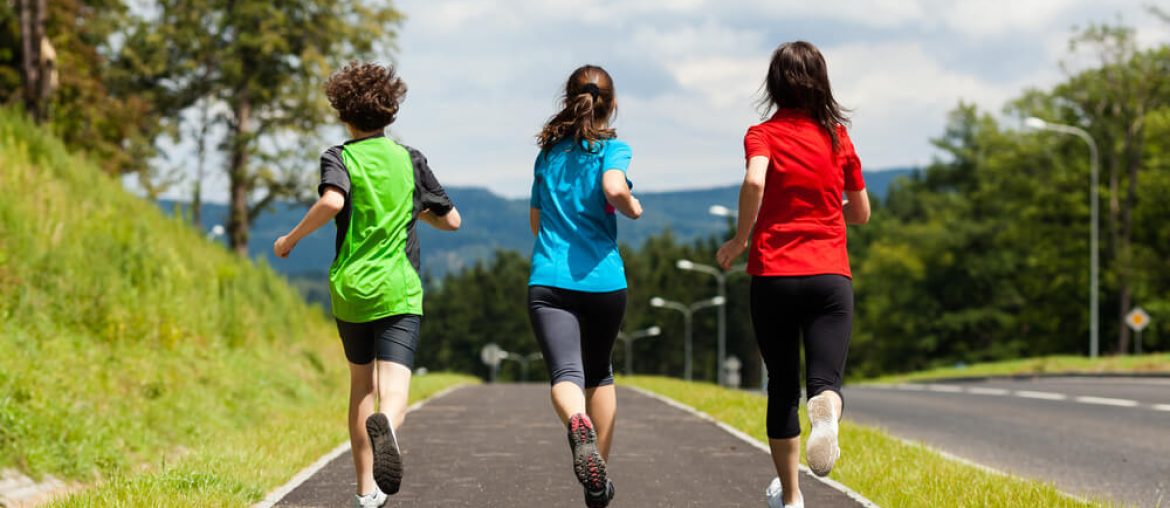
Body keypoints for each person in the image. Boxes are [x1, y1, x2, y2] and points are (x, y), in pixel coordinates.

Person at [273, 61, 461, 508]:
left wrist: (289, 240)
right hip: (399, 287)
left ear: (342, 112)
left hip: (353, 288)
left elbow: (333, 200)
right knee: (393, 388)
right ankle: (389, 430)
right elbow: (452, 220)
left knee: (361, 385)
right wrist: (413, 210)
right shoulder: (410, 159)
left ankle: (365, 492)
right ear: (391, 111)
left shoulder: (339, 156)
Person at [716, 41, 871, 508]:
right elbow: (861, 213)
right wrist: (828, 207)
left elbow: (755, 181)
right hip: (829, 276)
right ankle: (826, 415)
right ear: (821, 81)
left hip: (774, 274)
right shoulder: (838, 137)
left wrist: (740, 239)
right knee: (824, 381)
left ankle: (792, 496)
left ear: (774, 84)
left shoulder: (762, 134)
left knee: (782, 386)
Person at [527, 64, 641, 508]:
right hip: (604, 281)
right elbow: (614, 188)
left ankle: (577, 421)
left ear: (568, 99)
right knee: (600, 372)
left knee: (566, 375)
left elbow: (536, 223)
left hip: (550, 280)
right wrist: (631, 207)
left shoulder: (549, 154)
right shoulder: (615, 149)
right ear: (611, 104)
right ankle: (598, 487)